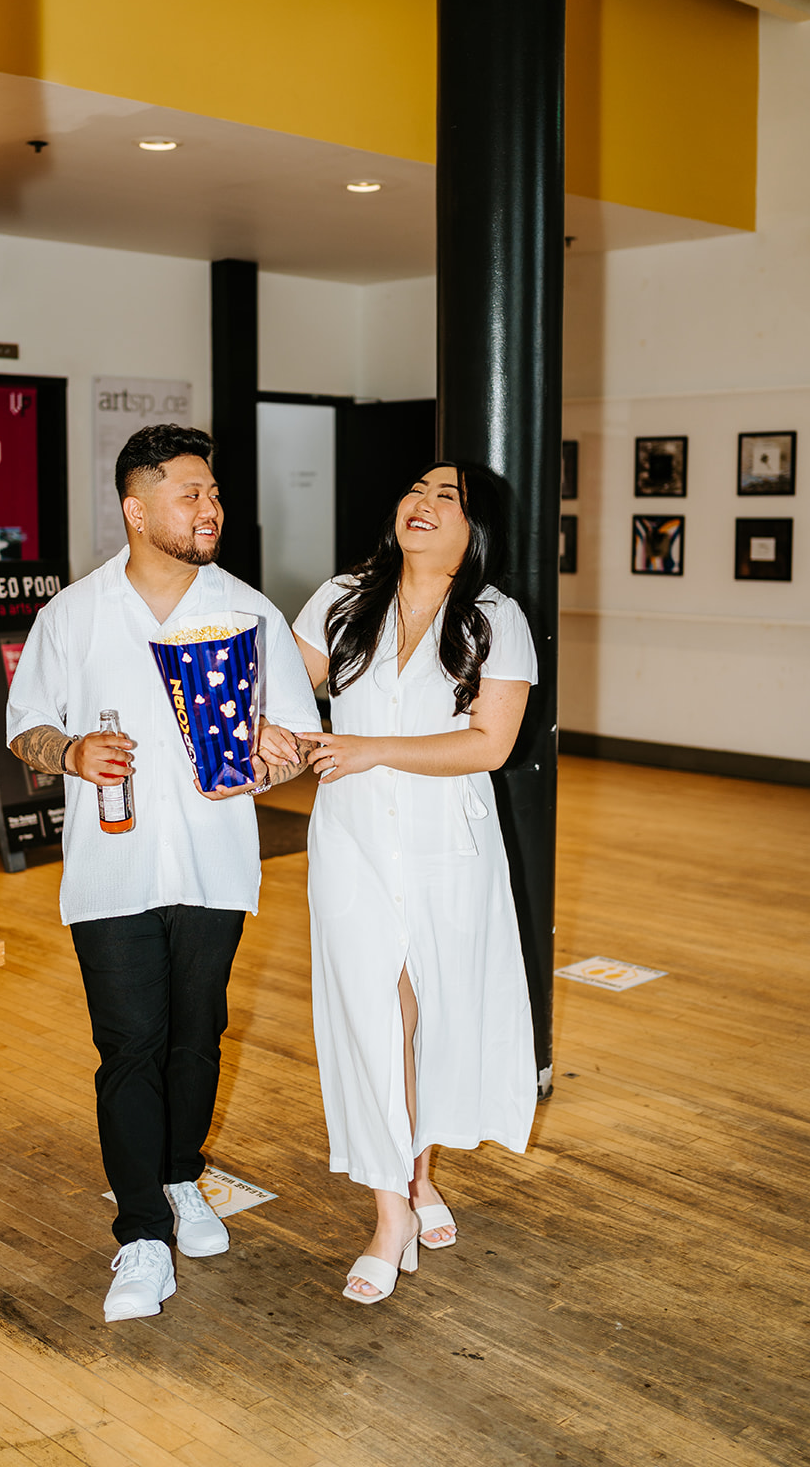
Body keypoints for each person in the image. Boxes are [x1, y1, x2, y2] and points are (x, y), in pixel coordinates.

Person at [6, 424, 320, 1322]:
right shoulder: (72, 614)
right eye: (190, 494)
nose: (210, 508)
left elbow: (294, 740)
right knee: (130, 1046)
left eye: (213, 494)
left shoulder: (250, 611)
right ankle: (141, 1233)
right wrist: (69, 750)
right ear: (136, 509)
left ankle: (183, 1178)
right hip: (111, 867)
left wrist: (277, 754)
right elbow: (24, 726)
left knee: (197, 1036)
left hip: (216, 863)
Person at [265, 461, 538, 1305]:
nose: (422, 505)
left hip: (445, 842)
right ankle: (390, 1213)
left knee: (425, 1015)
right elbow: (281, 684)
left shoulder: (496, 618)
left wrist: (374, 748)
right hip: (348, 841)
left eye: (446, 498)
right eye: (416, 490)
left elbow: (488, 745)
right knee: (368, 1014)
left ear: (475, 528)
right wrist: (270, 729)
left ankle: (418, 1177)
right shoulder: (343, 597)